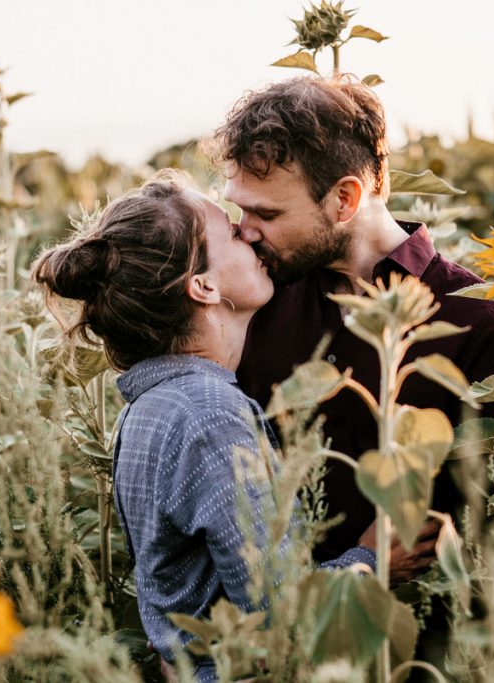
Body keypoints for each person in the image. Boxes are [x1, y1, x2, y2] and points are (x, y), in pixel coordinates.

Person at [32, 171, 423, 682]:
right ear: (203, 286)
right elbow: (282, 616)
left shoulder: (149, 408)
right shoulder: (210, 415)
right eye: (232, 232)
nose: (250, 234)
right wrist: (373, 559)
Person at [207, 75, 494, 660]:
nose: (246, 231)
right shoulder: (261, 296)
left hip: (416, 652)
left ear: (345, 199)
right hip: (272, 645)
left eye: (267, 213)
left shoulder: (479, 321)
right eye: (240, 209)